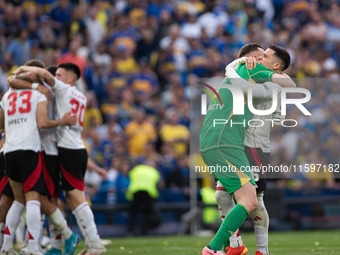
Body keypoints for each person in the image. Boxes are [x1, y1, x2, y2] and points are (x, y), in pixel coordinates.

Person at [200, 43, 293, 255]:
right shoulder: (249, 71)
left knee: (254, 201)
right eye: (258, 56)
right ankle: (235, 246)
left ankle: (262, 251)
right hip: (234, 143)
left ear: (275, 64)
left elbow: (277, 108)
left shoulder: (267, 81)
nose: (260, 59)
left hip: (254, 147)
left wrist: (232, 69)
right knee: (222, 197)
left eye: (265, 56)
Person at [12, 63, 106, 255]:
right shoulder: (78, 95)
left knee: (76, 199)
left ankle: (94, 243)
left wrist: (21, 69)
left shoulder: (64, 90)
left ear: (70, 79)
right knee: (70, 199)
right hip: (75, 148)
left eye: (60, 74)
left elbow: (44, 75)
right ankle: (81, 244)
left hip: (67, 150)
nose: (56, 77)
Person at [0, 63, 77, 255]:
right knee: (33, 200)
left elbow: (1, 124)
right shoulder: (40, 95)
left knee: (17, 201)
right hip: (30, 149)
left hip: (9, 150)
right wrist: (63, 121)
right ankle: (34, 248)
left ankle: (7, 246)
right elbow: (42, 123)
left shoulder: (7, 96)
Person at [126, 161, 161, 235]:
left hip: (135, 191)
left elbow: (130, 179)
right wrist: (155, 197)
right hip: (148, 192)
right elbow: (157, 185)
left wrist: (129, 197)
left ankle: (130, 231)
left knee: (133, 213)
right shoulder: (155, 172)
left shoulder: (137, 169)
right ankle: (144, 231)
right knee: (147, 213)